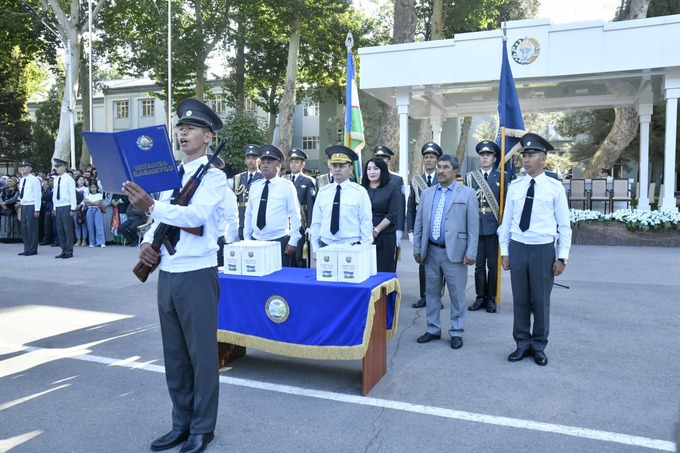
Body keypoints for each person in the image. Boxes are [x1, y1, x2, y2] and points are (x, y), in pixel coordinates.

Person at [123, 98, 226, 453]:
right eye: (181, 128)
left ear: (208, 137)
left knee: (201, 357)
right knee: (175, 356)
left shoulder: (214, 177)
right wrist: (147, 243)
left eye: (192, 128)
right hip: (167, 272)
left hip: (197, 274)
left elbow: (194, 216)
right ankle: (180, 424)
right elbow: (160, 221)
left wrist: (151, 205)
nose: (183, 133)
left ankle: (202, 428)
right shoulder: (171, 176)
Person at [498, 132, 572, 367]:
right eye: (524, 155)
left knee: (540, 301)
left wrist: (562, 257)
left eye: (531, 155)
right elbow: (506, 221)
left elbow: (564, 226)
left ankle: (539, 345)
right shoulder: (515, 186)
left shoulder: (555, 188)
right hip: (519, 248)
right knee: (520, 299)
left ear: (544, 159)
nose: (526, 160)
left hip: (543, 250)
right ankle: (521, 343)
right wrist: (504, 251)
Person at [412, 154, 478, 350]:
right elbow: (419, 224)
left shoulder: (467, 194)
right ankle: (432, 329)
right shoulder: (427, 193)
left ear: (455, 171)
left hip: (455, 253)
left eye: (445, 167)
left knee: (457, 295)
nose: (440, 170)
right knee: (431, 293)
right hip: (431, 251)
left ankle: (456, 331)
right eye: (439, 167)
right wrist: (417, 248)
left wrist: (471, 252)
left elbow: (473, 227)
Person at [465, 140, 507, 313]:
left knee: (494, 266)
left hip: (494, 227)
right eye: (482, 155)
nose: (484, 158)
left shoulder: (503, 177)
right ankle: (479, 297)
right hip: (476, 227)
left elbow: (505, 204)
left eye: (488, 155)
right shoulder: (470, 177)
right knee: (479, 265)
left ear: (494, 158)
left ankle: (491, 298)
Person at [243, 144, 301, 267]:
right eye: (262, 162)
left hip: (278, 240)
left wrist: (294, 240)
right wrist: (247, 237)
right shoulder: (255, 186)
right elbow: (248, 214)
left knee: (278, 279)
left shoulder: (286, 186)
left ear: (278, 166)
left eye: (269, 162)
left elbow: (295, 214)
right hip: (255, 240)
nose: (264, 165)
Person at [309, 145, 372, 251]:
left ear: (350, 168)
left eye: (342, 166)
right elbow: (316, 222)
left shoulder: (360, 192)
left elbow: (366, 222)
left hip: (351, 246)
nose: (337, 169)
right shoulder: (323, 192)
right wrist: (315, 248)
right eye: (334, 165)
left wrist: (364, 248)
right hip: (326, 245)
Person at [408, 142, 441, 308]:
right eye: (426, 157)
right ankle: (424, 296)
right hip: (421, 228)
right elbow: (410, 207)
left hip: (439, 227)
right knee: (422, 262)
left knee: (439, 265)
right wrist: (412, 230)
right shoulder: (416, 181)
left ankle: (437, 297)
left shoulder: (442, 179)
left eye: (432, 157)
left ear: (437, 160)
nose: (429, 160)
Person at [361, 158, 401, 272]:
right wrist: (367, 230)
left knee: (383, 269)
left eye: (375, 168)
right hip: (364, 234)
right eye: (369, 169)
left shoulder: (392, 187)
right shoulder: (361, 188)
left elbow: (393, 214)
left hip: (385, 235)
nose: (371, 172)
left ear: (382, 170)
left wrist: (377, 230)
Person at [372, 145, 406, 256]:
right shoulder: (368, 178)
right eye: (378, 157)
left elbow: (400, 205)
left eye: (384, 157)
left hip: (390, 226)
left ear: (389, 160)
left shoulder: (396, 179)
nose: (380, 160)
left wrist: (399, 229)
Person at [287, 148, 316, 268]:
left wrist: (310, 225)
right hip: (286, 220)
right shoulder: (284, 179)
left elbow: (311, 205)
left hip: (301, 221)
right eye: (292, 162)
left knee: (299, 255)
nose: (293, 164)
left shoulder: (308, 181)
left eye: (297, 162)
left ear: (303, 164)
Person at [231, 144, 262, 240]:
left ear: (259, 160)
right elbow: (233, 200)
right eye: (248, 158)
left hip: (256, 214)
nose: (250, 160)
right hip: (241, 214)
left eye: (253, 158)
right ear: (245, 160)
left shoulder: (263, 177)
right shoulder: (238, 178)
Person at [52, 158, 77, 259]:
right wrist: (54, 207)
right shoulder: (56, 179)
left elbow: (72, 194)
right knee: (60, 230)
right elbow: (54, 195)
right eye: (56, 167)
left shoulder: (69, 179)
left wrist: (73, 208)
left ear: (64, 167)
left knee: (67, 230)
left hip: (66, 206)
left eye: (59, 167)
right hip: (58, 206)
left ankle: (69, 251)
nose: (57, 169)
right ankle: (63, 249)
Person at [17, 158, 43, 256]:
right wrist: (19, 204)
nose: (23, 168)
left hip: (31, 205)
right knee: (24, 228)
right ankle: (26, 248)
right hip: (24, 205)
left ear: (30, 168)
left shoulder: (34, 179)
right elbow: (22, 194)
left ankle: (32, 249)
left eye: (26, 167)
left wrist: (37, 209)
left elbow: (37, 195)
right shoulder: (22, 179)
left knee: (31, 228)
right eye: (23, 167)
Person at [84, 182, 106, 247]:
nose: (93, 189)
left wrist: (90, 202)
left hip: (97, 210)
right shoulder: (87, 194)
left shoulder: (99, 194)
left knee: (99, 226)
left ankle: (101, 242)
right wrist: (93, 202)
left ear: (96, 188)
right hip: (89, 210)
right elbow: (86, 203)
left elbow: (98, 203)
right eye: (91, 187)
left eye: (94, 187)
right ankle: (92, 242)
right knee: (90, 226)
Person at [0, 176, 21, 243]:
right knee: (4, 222)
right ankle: (4, 237)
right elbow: (0, 196)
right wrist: (1, 203)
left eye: (10, 181)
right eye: (8, 181)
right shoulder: (4, 190)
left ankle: (14, 237)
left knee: (13, 222)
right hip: (4, 207)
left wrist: (5, 202)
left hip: (12, 207)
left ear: (15, 182)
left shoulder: (17, 190)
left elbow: (15, 198)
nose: (8, 183)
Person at [73, 175, 89, 246]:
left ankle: (84, 240)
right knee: (76, 224)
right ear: (77, 181)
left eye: (83, 180)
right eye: (80, 180)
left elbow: (86, 198)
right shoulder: (74, 189)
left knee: (83, 224)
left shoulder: (86, 189)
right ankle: (78, 240)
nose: (82, 181)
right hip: (74, 208)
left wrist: (81, 204)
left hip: (82, 209)